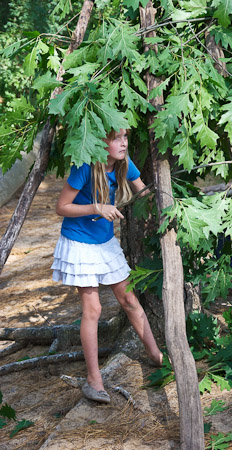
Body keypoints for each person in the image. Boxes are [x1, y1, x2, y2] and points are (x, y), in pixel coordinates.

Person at [51, 128, 163, 404]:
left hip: (105, 242)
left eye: (125, 137)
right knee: (93, 309)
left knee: (129, 299)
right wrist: (96, 207)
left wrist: (165, 202)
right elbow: (61, 206)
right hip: (79, 243)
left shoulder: (125, 163)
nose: (123, 143)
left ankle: (156, 356)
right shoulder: (85, 165)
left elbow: (145, 194)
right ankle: (94, 380)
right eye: (116, 138)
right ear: (101, 142)